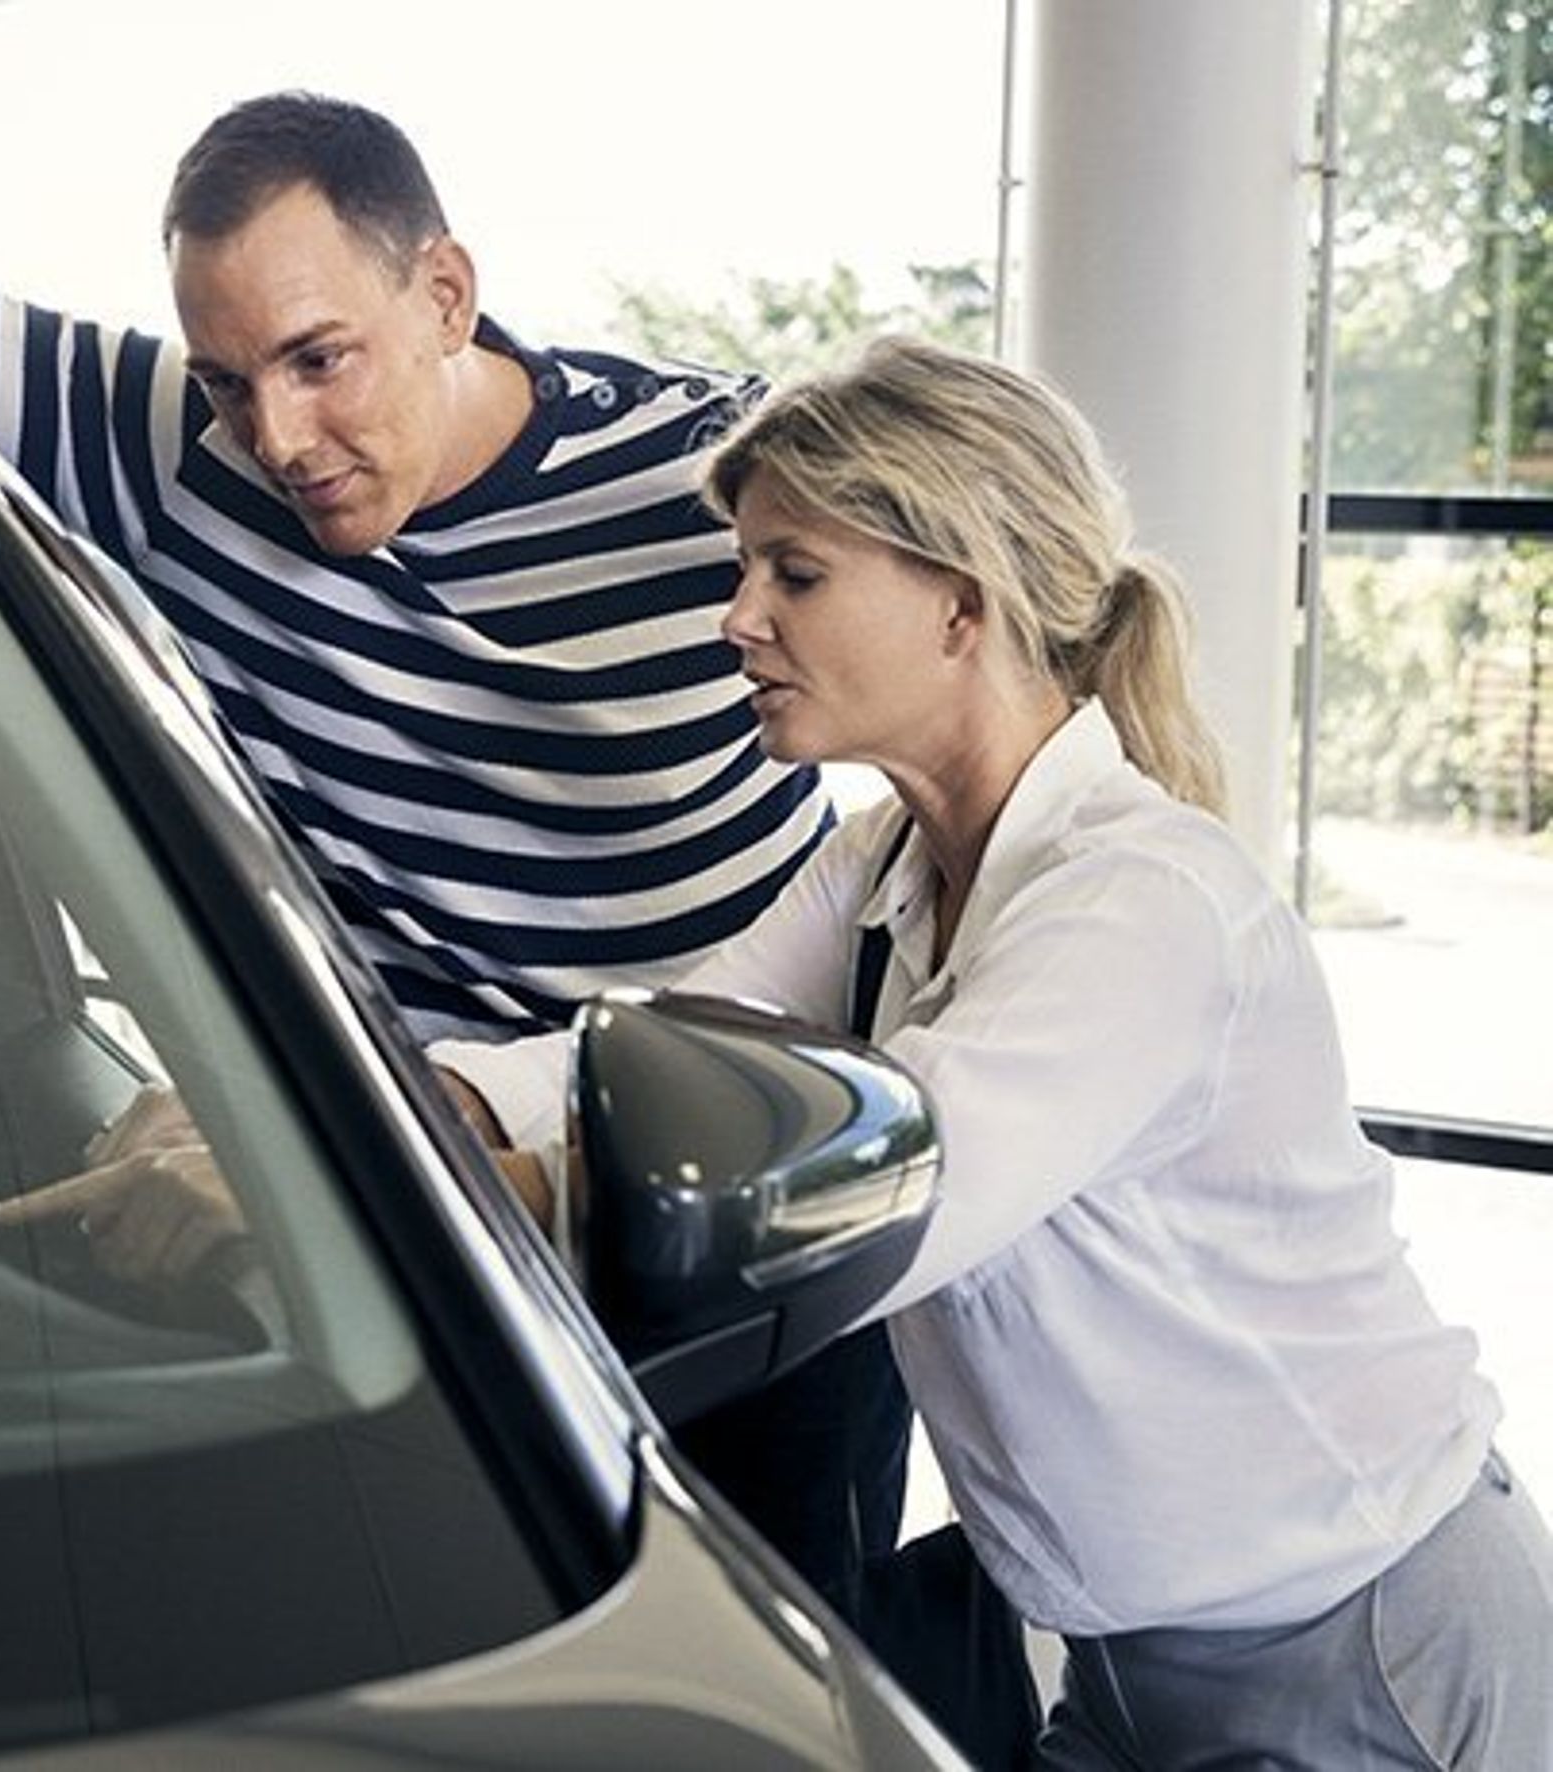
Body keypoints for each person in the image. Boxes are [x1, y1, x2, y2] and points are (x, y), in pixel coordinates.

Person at [0, 92, 965, 1753]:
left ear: (446, 296)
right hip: (428, 1233)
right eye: (231, 377)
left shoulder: (707, 490)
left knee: (774, 1705)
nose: (281, 436)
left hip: (736, 1220)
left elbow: (986, 653)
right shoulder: (180, 452)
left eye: (321, 360)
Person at [437, 333, 1553, 1767]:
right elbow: (658, 1040)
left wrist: (491, 1194)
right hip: (1124, 1664)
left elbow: (902, 1189)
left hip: (1369, 1649)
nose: (737, 620)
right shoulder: (882, 865)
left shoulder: (1142, 903)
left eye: (794, 573)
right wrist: (400, 1111)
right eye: (746, 571)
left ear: (961, 605)